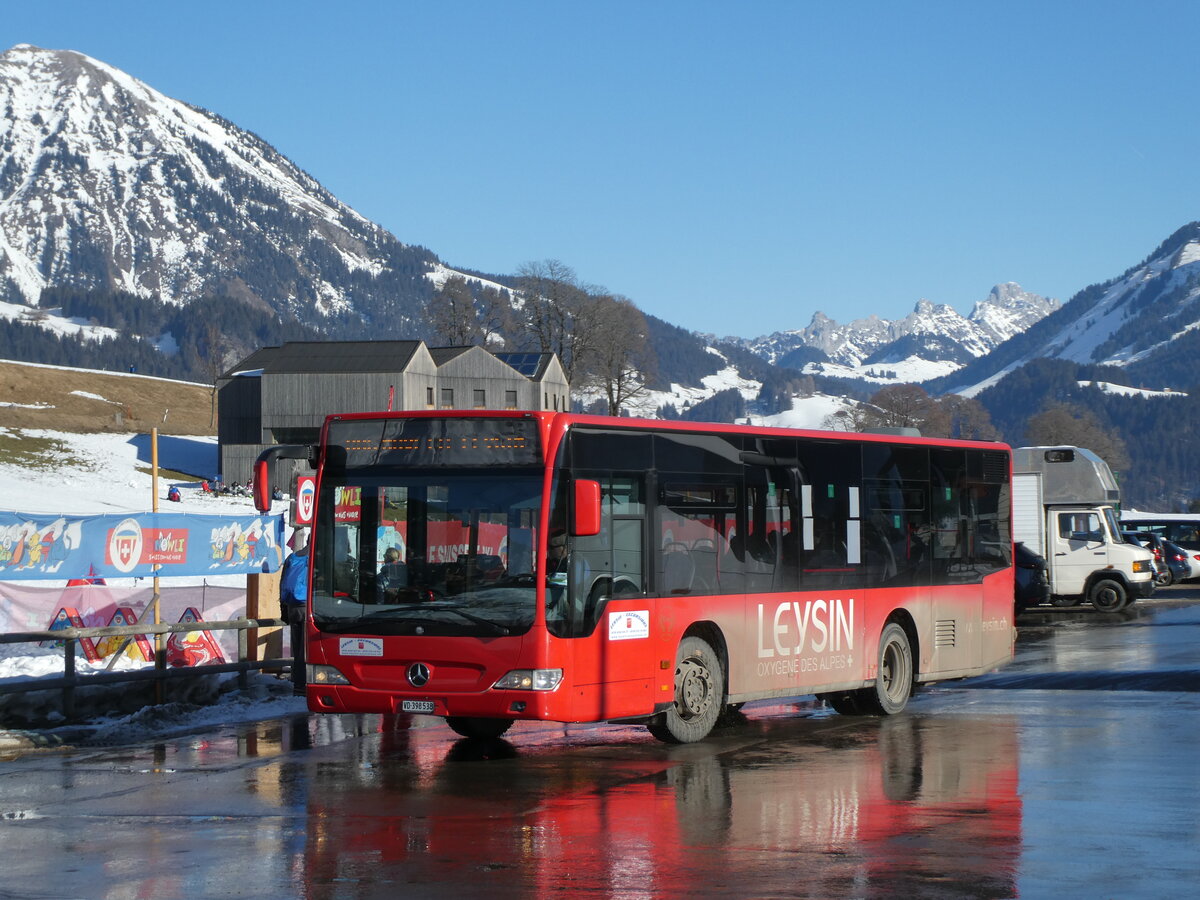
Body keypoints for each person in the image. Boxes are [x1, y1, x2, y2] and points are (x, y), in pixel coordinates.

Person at [279, 528, 310, 694]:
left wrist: (284, 611)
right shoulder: (315, 559)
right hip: (308, 608)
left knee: (297, 648)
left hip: (292, 608)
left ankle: (298, 684)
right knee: (307, 649)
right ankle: (305, 685)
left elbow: (282, 584)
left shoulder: (292, 557)